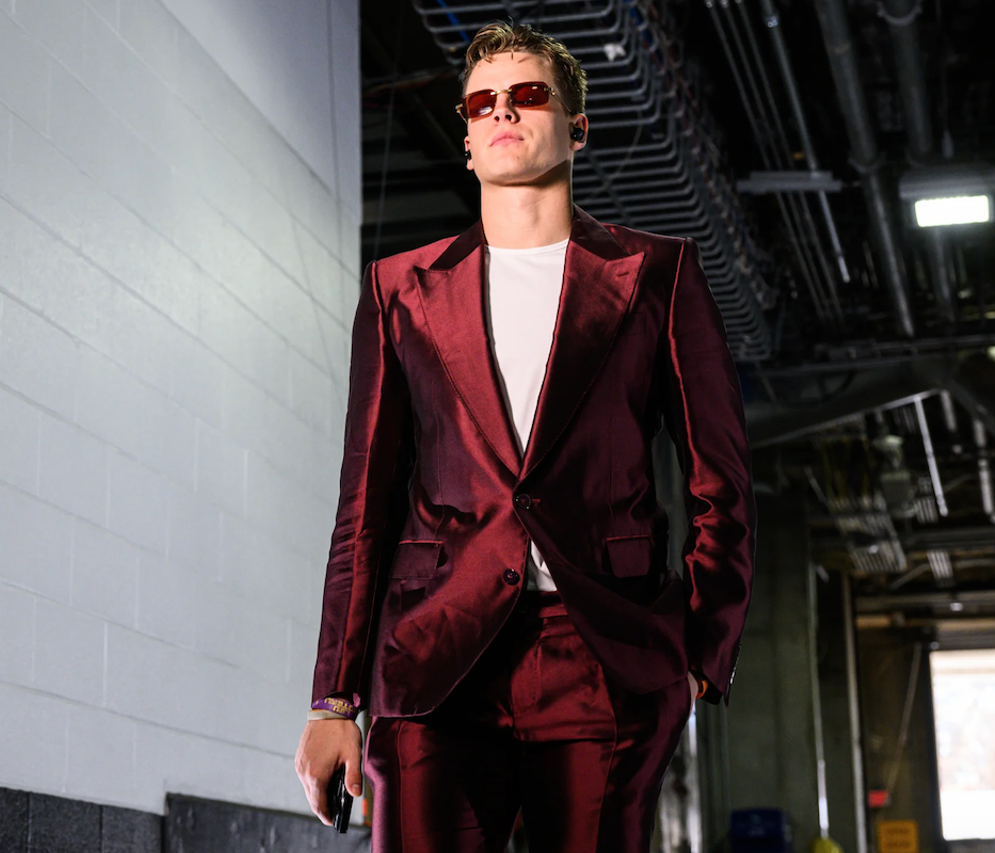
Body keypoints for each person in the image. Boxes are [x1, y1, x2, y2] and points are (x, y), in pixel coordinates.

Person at [295, 21, 755, 853]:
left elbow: (719, 480)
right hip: (437, 656)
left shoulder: (658, 273)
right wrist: (333, 698)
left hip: (602, 653)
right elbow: (363, 504)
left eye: (528, 94)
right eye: (481, 103)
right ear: (467, 142)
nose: (502, 110)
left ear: (576, 128)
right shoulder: (400, 289)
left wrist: (699, 648)